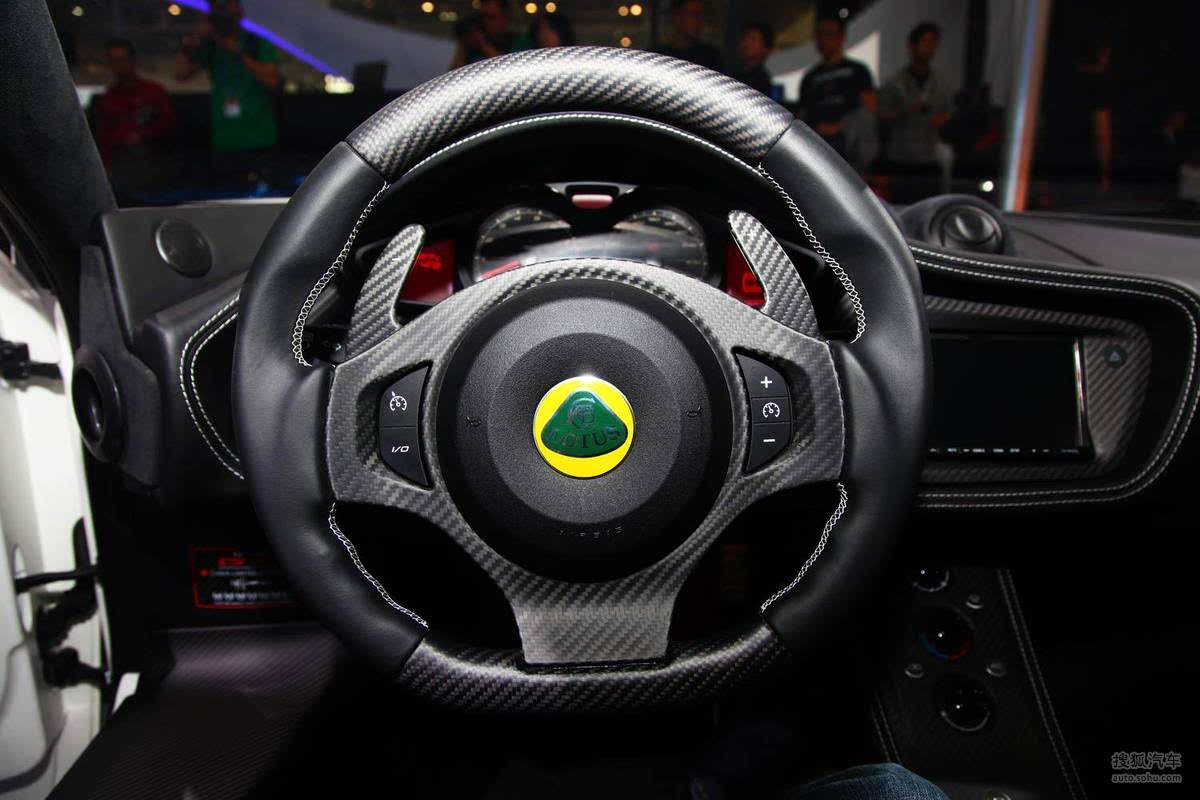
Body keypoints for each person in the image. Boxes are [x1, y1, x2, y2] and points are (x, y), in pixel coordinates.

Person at [174, 0, 281, 157]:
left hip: (259, 137)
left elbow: (273, 81)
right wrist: (195, 40)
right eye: (218, 9)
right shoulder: (210, 45)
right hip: (224, 139)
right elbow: (180, 74)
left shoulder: (255, 41)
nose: (223, 15)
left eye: (226, 7)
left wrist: (237, 52)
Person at [878, 22, 954, 191]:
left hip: (929, 156)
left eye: (933, 43)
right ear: (912, 46)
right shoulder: (895, 83)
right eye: (925, 42)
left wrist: (942, 120)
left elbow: (948, 112)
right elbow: (882, 115)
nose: (929, 48)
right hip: (900, 155)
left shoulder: (941, 85)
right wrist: (905, 111)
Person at [799, 15, 877, 171]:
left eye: (829, 33)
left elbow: (870, 108)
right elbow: (803, 115)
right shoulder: (810, 77)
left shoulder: (858, 70)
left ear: (842, 37)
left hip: (852, 146)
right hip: (819, 147)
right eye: (819, 34)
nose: (823, 40)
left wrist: (842, 127)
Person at [91, 38, 175, 169]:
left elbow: (168, 126)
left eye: (122, 60)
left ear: (133, 60)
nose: (119, 65)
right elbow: (103, 139)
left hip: (154, 161)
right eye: (114, 61)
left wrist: (144, 135)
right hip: (120, 164)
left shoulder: (154, 92)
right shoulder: (107, 100)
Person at [449, 0, 532, 69]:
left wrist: (484, 45)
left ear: (505, 17)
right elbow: (455, 76)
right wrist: (463, 48)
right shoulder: (473, 47)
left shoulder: (521, 42)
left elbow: (510, 69)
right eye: (482, 17)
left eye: (491, 17)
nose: (485, 22)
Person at [657, 0, 724, 73]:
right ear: (678, 17)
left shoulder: (710, 57)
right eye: (694, 15)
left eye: (702, 16)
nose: (699, 21)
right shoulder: (660, 57)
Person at [734, 21, 774, 97]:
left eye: (753, 39)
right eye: (744, 38)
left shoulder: (761, 82)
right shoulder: (736, 75)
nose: (745, 43)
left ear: (765, 48)